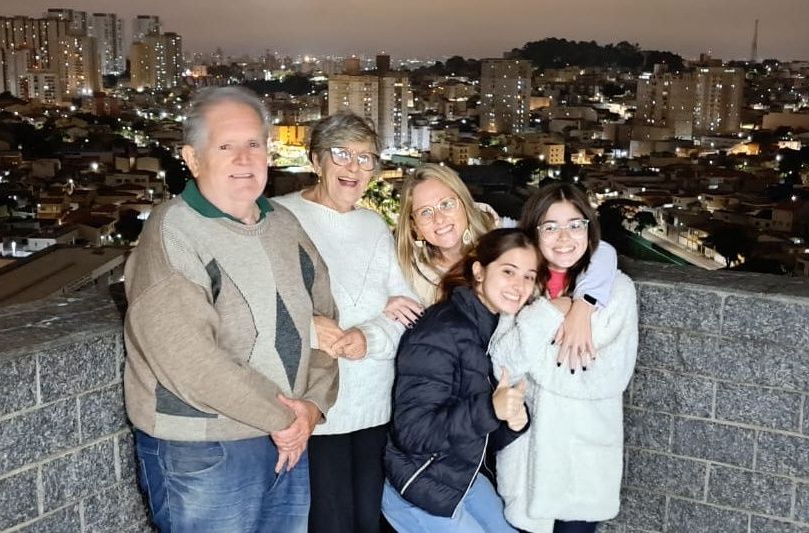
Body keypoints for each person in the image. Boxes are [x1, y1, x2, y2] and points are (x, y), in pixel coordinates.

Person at [122, 86, 338, 533]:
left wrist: (313, 407)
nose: (244, 158)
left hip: (288, 438)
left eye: (254, 144)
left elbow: (324, 323)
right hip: (207, 447)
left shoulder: (283, 224)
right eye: (225, 146)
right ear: (193, 158)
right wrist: (287, 418)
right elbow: (188, 358)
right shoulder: (174, 231)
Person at [271, 113, 417, 533]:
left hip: (374, 404)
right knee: (327, 521)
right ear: (316, 160)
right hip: (313, 408)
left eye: (365, 157)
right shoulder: (281, 218)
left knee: (367, 521)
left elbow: (405, 311)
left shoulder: (373, 225)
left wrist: (369, 337)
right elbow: (251, 307)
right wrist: (307, 325)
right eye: (341, 154)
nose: (354, 166)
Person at [490, 183, 641, 533]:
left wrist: (577, 312)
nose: (564, 238)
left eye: (575, 225)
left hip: (582, 463)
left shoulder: (616, 292)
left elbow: (607, 377)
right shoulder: (523, 285)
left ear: (589, 228)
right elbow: (502, 363)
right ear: (534, 232)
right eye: (550, 227)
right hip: (527, 463)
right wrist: (551, 311)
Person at [381, 228, 537, 532]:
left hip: (458, 475)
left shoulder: (496, 331)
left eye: (529, 276)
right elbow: (412, 432)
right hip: (418, 485)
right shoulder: (440, 331)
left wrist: (512, 421)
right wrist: (491, 409)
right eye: (508, 271)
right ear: (479, 271)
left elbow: (479, 435)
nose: (519, 285)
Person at [392, 164, 619, 369]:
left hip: (505, 372)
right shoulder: (407, 268)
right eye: (425, 212)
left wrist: (583, 306)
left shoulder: (498, 235)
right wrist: (385, 301)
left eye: (447, 204)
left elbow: (598, 250)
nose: (439, 218)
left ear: (464, 202)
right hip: (450, 375)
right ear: (414, 225)